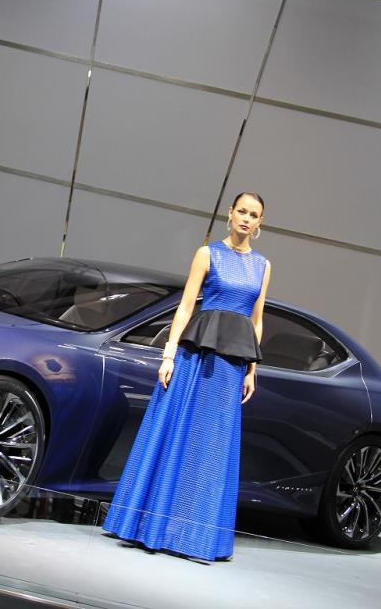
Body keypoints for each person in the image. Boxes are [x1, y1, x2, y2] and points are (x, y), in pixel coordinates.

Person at [102, 191, 271, 562]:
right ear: (230, 213)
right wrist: (168, 355)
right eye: (242, 211)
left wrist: (252, 369)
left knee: (211, 447)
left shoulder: (263, 266)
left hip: (231, 366)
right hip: (196, 358)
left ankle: (195, 538)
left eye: (254, 215)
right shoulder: (208, 254)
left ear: (260, 222)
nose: (246, 219)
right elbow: (184, 307)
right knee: (177, 432)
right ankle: (149, 527)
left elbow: (257, 321)